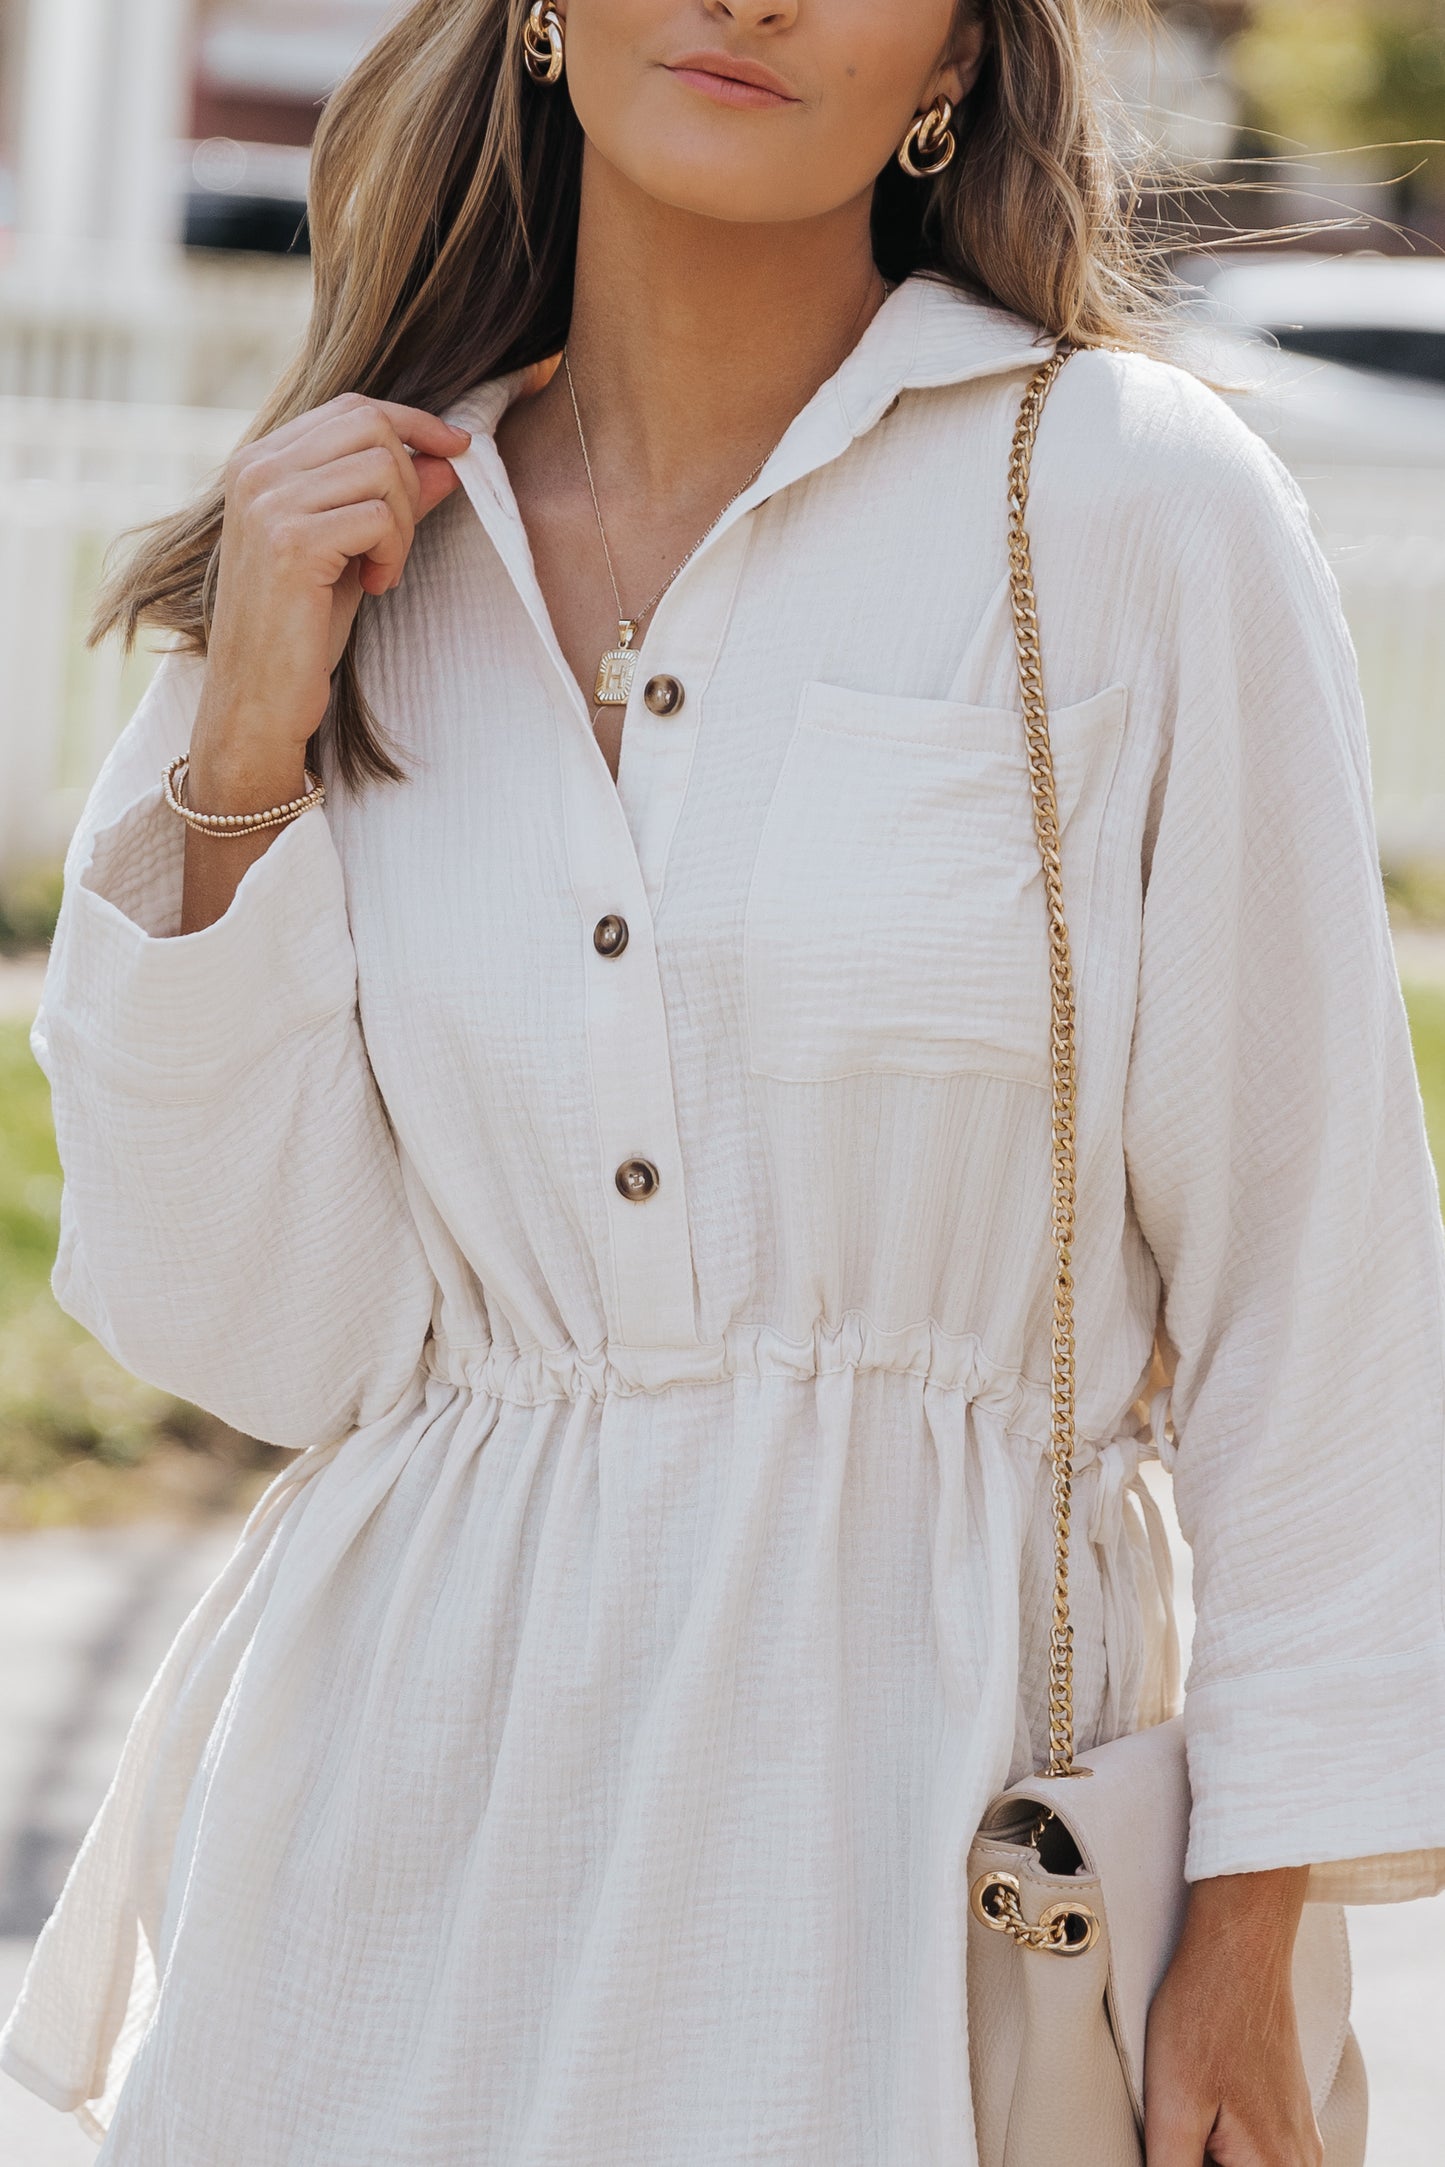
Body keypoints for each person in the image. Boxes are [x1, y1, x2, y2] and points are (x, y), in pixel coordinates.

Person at [4, 1, 1444, 2161]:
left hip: (912, 1831)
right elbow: (260, 1335)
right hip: (387, 1848)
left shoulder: (1131, 508)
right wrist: (240, 760)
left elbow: (1319, 1296)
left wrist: (1241, 1943)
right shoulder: (353, 552)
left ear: (957, 52)